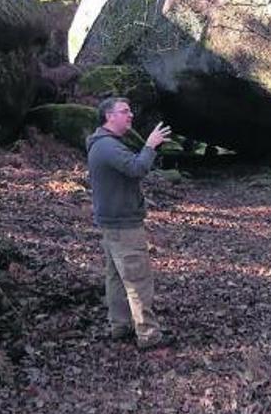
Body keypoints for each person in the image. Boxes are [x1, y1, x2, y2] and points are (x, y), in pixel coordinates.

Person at [86, 97, 173, 350]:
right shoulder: (108, 147)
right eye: (125, 111)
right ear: (109, 117)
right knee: (137, 280)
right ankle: (149, 335)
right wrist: (150, 145)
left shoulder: (104, 144)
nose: (131, 115)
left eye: (130, 110)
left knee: (116, 278)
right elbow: (137, 168)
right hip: (123, 225)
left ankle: (120, 325)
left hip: (112, 223)